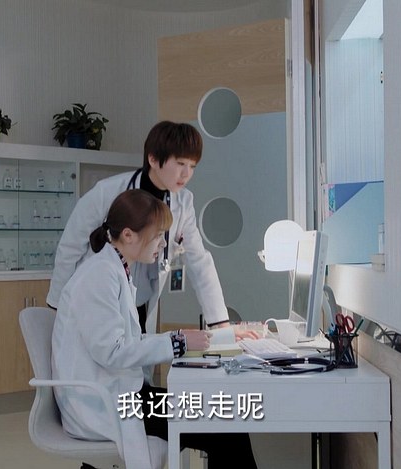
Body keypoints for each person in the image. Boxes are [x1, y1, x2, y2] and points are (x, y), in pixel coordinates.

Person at [52, 189, 257, 469]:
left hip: (123, 395)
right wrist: (178, 343)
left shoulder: (114, 269)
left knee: (226, 419)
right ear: (128, 235)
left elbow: (130, 340)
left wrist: (194, 338)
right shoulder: (99, 275)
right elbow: (112, 351)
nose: (163, 243)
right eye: (158, 235)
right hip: (105, 405)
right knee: (226, 425)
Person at [47, 121, 258, 339]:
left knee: (136, 353)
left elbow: (200, 262)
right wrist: (56, 308)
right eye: (180, 163)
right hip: (97, 296)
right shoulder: (106, 192)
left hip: (139, 301)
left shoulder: (183, 202)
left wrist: (220, 325)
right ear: (153, 159)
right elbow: (69, 248)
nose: (186, 174)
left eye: (193, 166)